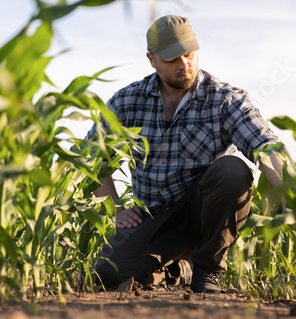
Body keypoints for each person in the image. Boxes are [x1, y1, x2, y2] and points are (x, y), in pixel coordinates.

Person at [85, 15, 286, 293]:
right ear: (151, 59)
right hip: (154, 219)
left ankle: (207, 269)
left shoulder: (224, 99)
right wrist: (115, 208)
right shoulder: (125, 102)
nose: (184, 65)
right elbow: (91, 159)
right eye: (172, 59)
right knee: (107, 275)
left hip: (205, 216)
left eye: (189, 54)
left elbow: (265, 146)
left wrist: (291, 190)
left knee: (232, 170)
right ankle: (179, 268)